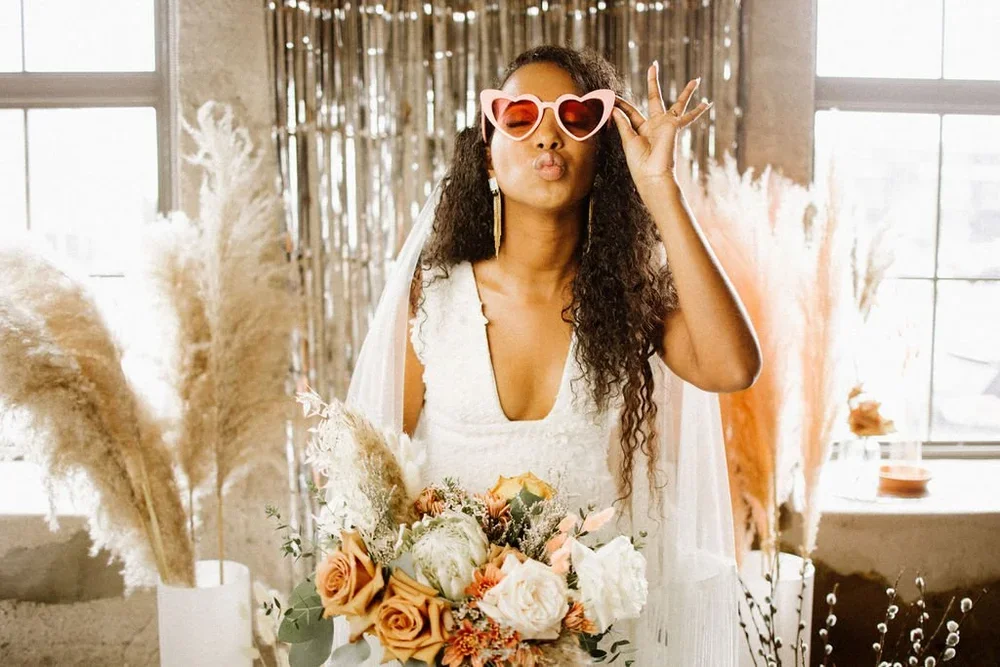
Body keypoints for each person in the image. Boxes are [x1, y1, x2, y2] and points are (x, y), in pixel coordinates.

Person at [346, 45, 761, 666]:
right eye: (520, 116)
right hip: (446, 649)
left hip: (595, 647)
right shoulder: (430, 299)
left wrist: (659, 188)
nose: (547, 136)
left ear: (604, 152)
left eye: (575, 117)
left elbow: (733, 367)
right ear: (488, 152)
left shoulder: (630, 302)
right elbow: (372, 485)